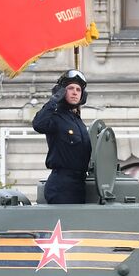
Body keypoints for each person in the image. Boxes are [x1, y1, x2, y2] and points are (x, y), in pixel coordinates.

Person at [31, 69, 92, 205]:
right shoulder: (56, 117)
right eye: (70, 88)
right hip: (62, 186)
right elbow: (38, 124)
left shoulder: (77, 121)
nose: (75, 92)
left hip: (79, 185)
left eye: (78, 89)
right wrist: (53, 101)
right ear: (61, 91)